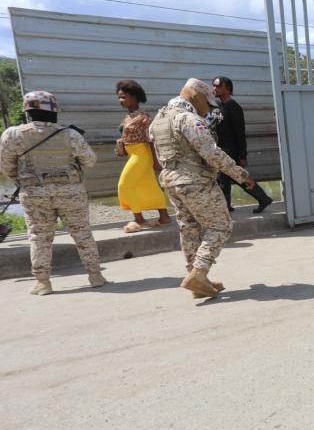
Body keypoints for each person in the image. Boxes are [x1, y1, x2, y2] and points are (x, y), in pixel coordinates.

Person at [150, 78, 256, 298]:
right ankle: (199, 273)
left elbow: (156, 150)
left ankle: (197, 282)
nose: (207, 109)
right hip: (195, 181)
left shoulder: (159, 118)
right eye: (207, 103)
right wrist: (240, 174)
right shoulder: (188, 119)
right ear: (197, 97)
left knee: (189, 228)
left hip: (170, 180)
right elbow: (211, 153)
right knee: (221, 226)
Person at [1, 91, 106, 295]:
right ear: (54, 110)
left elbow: (6, 167)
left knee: (39, 237)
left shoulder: (12, 135)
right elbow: (90, 161)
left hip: (34, 195)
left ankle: (43, 283)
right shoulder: (70, 134)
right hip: (71, 193)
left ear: (27, 111)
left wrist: (25, 181)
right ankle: (95, 276)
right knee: (82, 233)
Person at [211, 76, 273, 214]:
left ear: (227, 89)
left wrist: (243, 156)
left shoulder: (234, 107)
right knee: (235, 177)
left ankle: (226, 208)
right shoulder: (217, 106)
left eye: (218, 86)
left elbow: (240, 133)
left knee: (224, 179)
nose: (214, 88)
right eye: (213, 85)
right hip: (220, 149)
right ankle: (263, 199)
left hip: (231, 150)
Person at [115, 80, 171, 232]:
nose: (120, 100)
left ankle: (139, 219)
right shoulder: (128, 117)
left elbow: (151, 140)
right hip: (134, 154)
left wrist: (156, 161)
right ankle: (164, 216)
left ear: (134, 97)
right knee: (149, 185)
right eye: (119, 97)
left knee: (124, 185)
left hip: (141, 155)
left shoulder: (143, 117)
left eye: (123, 97)